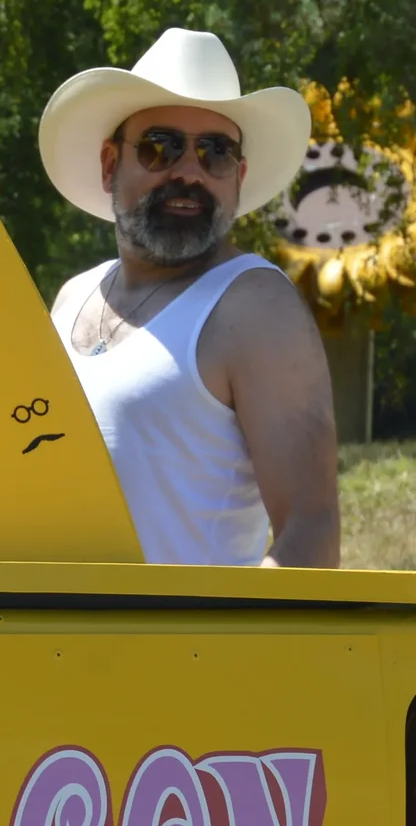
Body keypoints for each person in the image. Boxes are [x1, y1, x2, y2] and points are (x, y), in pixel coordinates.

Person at [39, 28, 339, 567]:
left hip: (187, 651)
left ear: (239, 176)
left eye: (215, 152)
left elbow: (309, 537)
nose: (189, 172)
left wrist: (215, 649)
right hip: (56, 647)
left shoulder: (254, 308)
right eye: (161, 146)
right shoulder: (71, 299)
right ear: (111, 163)